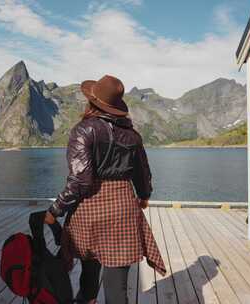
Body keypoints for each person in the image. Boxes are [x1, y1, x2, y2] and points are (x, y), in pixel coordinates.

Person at [45, 75, 166, 304]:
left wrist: (55, 210)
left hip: (89, 212)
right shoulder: (133, 135)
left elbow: (80, 181)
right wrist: (144, 196)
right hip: (123, 210)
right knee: (117, 288)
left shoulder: (83, 130)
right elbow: (142, 172)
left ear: (92, 102)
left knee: (89, 275)